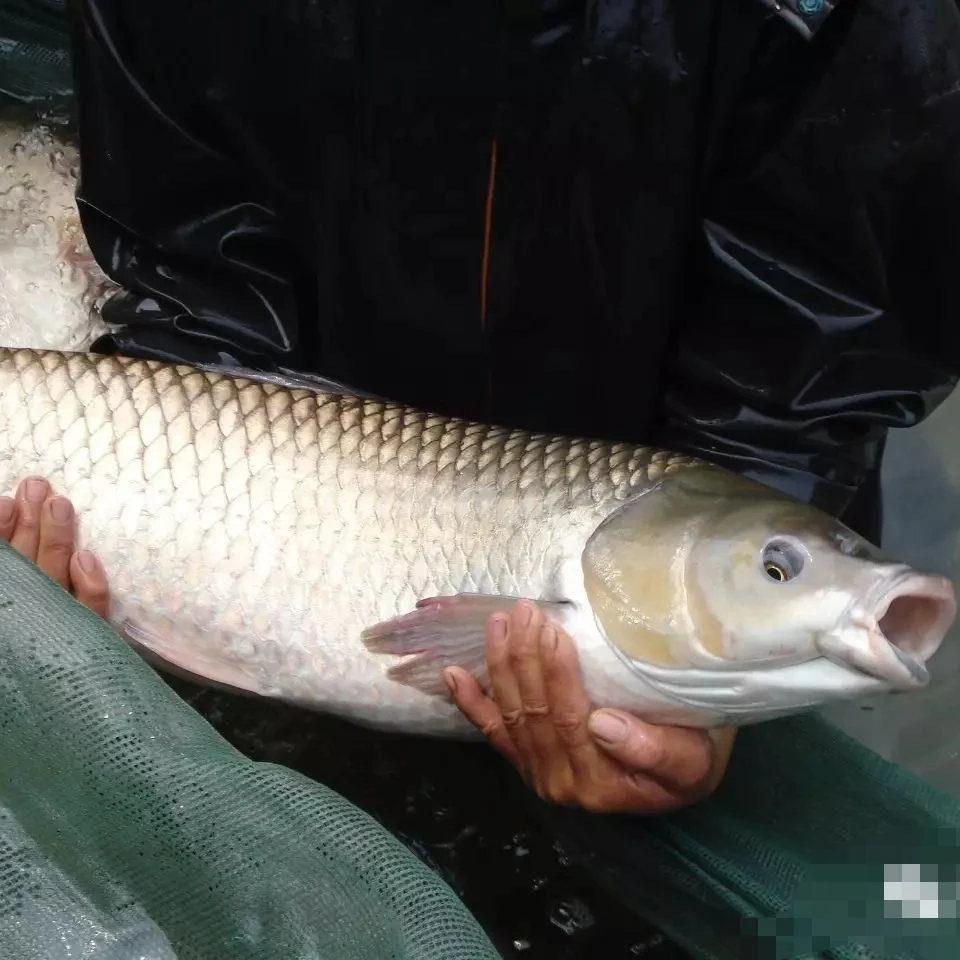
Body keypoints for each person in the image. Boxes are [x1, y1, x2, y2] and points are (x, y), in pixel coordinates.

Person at [54, 0, 960, 820]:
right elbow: (198, 268)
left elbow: (826, 321)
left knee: (891, 888)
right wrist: (126, 538)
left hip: (678, 478)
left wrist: (700, 700)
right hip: (288, 453)